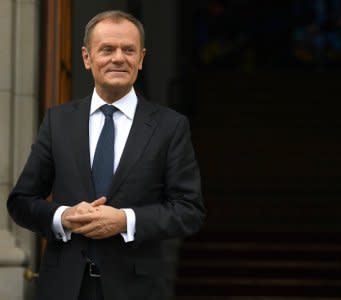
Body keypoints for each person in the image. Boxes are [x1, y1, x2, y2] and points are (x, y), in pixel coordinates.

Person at [7, 10, 205, 300]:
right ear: (87, 58)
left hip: (135, 290)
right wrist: (64, 216)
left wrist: (125, 220)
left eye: (128, 50)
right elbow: (21, 201)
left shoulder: (170, 126)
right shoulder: (58, 121)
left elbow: (190, 210)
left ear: (141, 58)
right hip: (63, 288)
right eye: (107, 49)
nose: (118, 58)